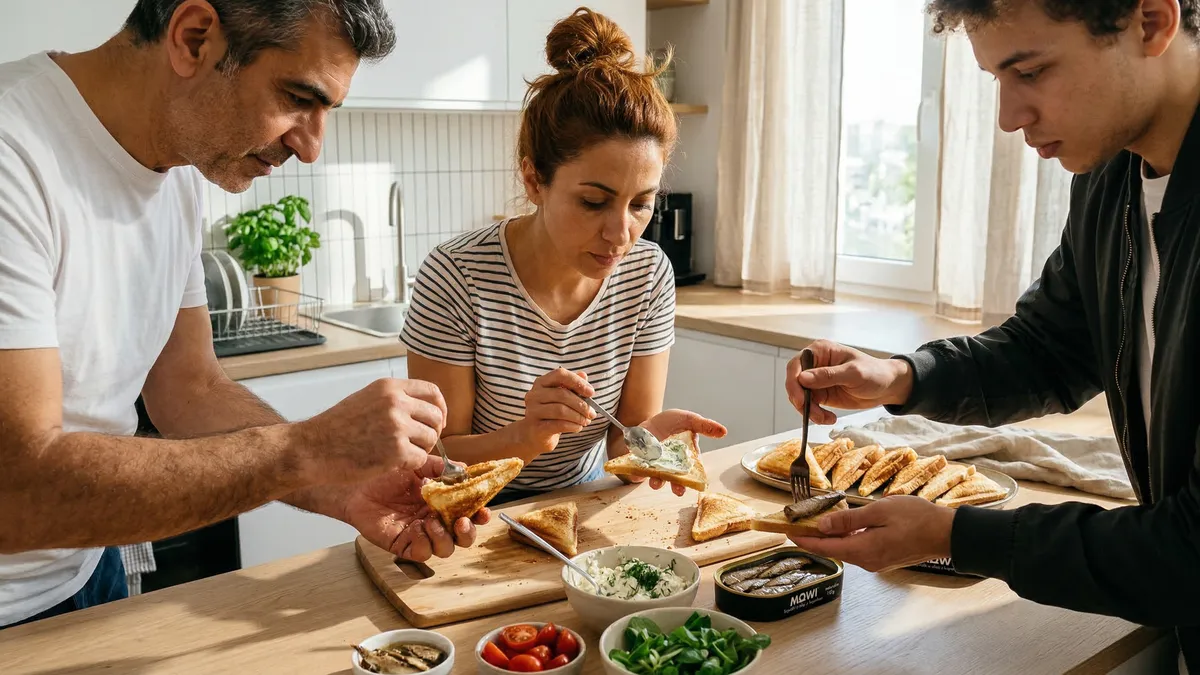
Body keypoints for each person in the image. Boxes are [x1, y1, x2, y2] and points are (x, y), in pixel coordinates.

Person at [0, 0, 485, 629]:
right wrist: (308, 449)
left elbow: (189, 387)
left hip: (86, 574)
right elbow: (16, 489)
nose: (311, 148)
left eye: (326, 112)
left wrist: (342, 485)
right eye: (297, 97)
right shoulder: (15, 156)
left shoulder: (173, 169)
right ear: (194, 38)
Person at [780, 0, 1200, 669]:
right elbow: (1051, 348)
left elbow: (1193, 547)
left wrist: (956, 533)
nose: (1010, 117)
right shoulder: (1110, 180)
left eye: (1030, 71)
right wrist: (901, 376)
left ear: (1150, 22)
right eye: (997, 81)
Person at [401, 7, 727, 505]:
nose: (621, 234)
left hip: (582, 503)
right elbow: (437, 459)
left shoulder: (649, 274)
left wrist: (651, 439)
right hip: (476, 512)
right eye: (594, 202)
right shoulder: (457, 277)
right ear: (535, 181)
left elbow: (624, 445)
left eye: (641, 204)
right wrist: (527, 435)